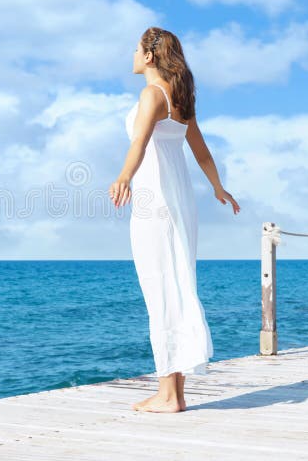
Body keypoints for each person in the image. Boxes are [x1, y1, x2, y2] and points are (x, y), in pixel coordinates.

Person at [109, 27, 240, 413]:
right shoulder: (179, 96)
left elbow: (139, 142)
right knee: (176, 285)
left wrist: (123, 177)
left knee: (160, 290)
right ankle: (174, 393)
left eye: (135, 49)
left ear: (149, 56)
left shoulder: (152, 94)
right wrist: (218, 187)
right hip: (178, 200)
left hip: (156, 203)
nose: (131, 55)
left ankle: (168, 395)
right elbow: (199, 150)